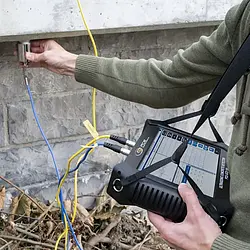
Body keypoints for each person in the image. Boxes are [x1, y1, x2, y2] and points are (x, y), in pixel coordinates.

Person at [22, 0, 250, 249]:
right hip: (223, 219)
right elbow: (172, 80)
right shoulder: (246, 16)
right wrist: (71, 62)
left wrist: (213, 246)